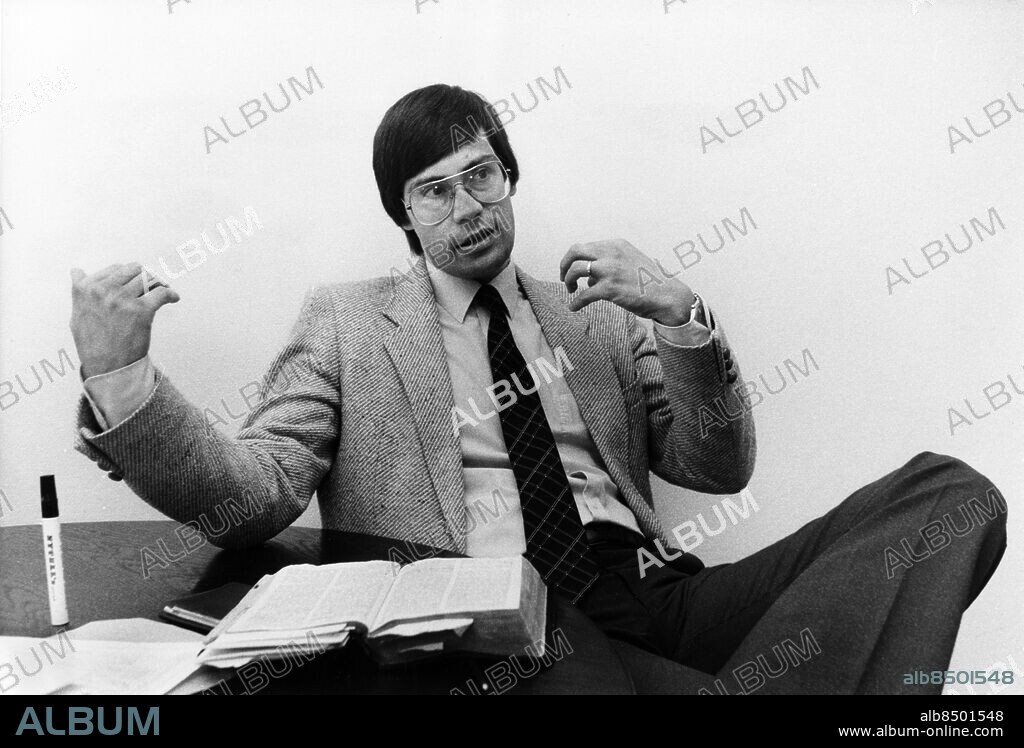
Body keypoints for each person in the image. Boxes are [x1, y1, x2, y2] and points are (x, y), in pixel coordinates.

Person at [70, 84, 1006, 694]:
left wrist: (684, 320)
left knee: (953, 497)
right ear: (404, 215)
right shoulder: (349, 321)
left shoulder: (594, 313)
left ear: (510, 177)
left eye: (482, 176)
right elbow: (255, 496)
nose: (468, 206)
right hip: (491, 605)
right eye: (435, 191)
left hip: (648, 589)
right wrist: (124, 380)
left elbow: (716, 467)